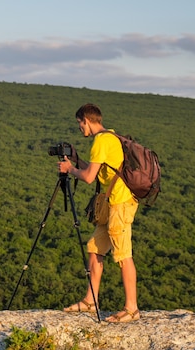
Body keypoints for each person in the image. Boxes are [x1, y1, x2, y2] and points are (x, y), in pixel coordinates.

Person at [57, 103, 140, 323]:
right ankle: (90, 301)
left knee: (123, 255)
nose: (79, 129)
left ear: (86, 120)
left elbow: (88, 177)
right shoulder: (110, 137)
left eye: (79, 124)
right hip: (111, 202)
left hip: (120, 203)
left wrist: (69, 170)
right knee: (95, 247)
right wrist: (76, 161)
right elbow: (95, 168)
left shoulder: (100, 141)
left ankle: (132, 308)